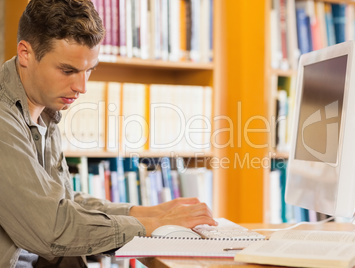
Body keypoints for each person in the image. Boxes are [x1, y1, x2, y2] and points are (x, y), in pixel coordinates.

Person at [0, 0, 217, 267]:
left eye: (89, 70)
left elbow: (62, 202)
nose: (81, 87)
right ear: (25, 54)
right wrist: (153, 224)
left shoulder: (43, 107)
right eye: (68, 70)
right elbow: (51, 226)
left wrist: (147, 212)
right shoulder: (3, 118)